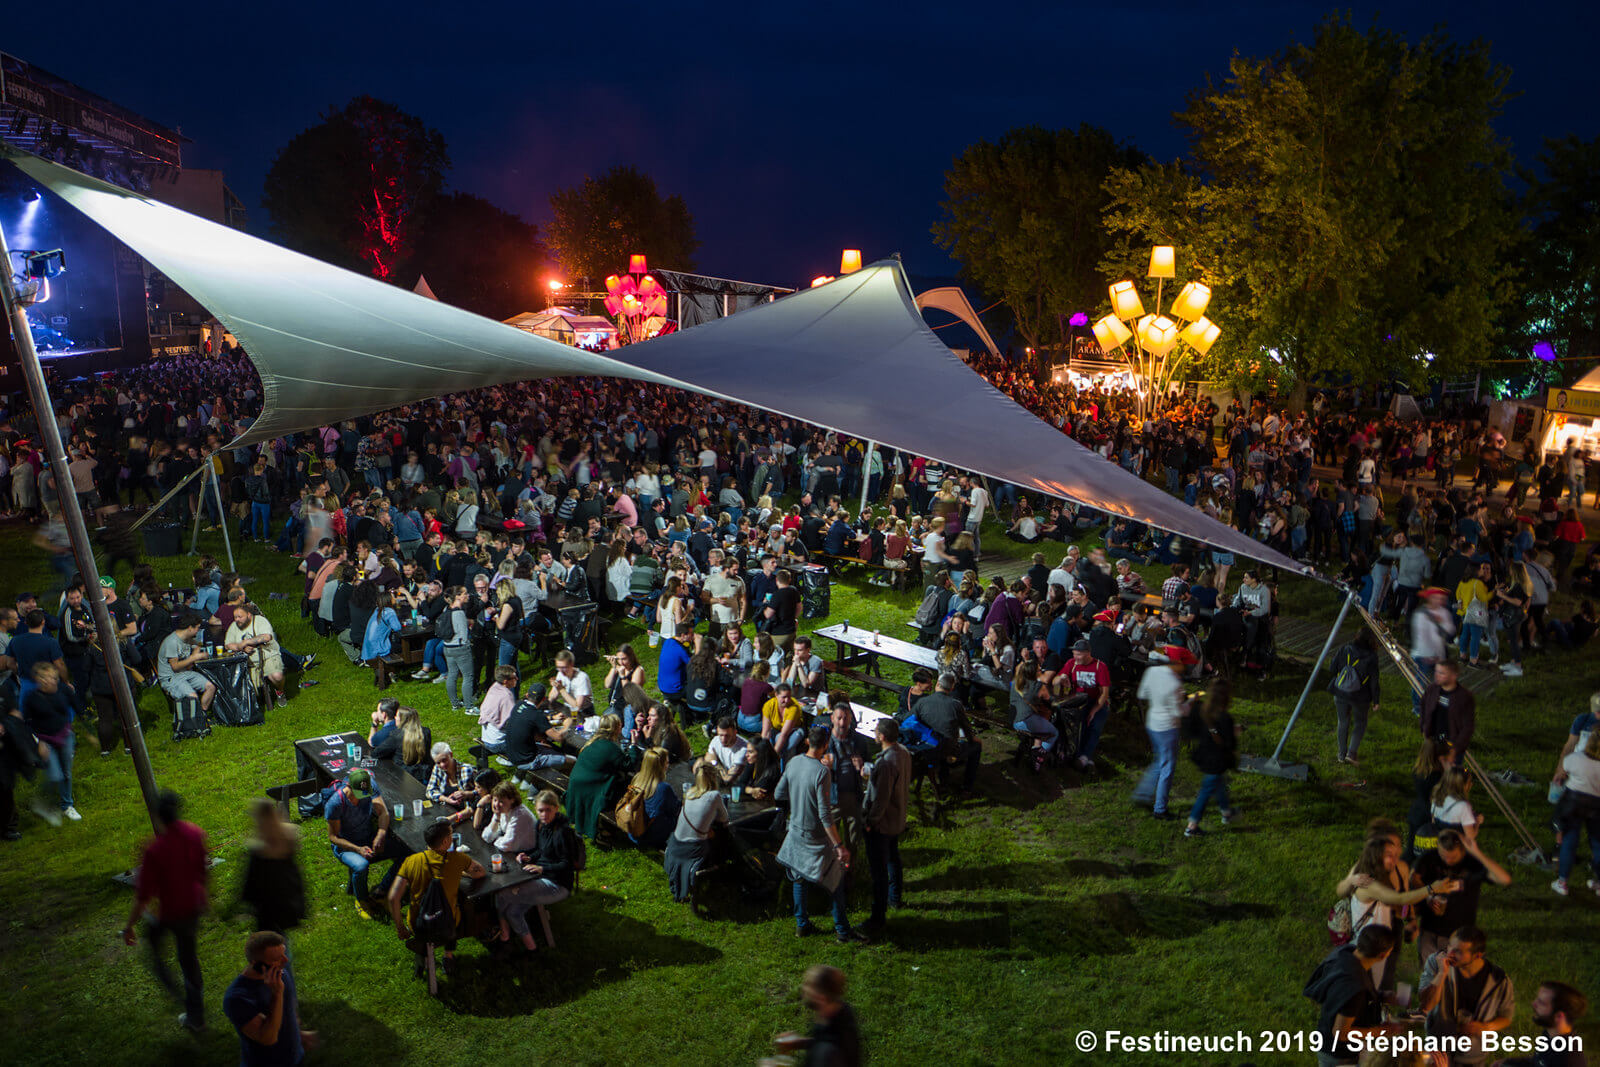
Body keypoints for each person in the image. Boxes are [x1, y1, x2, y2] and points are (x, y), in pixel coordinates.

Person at [122, 790, 209, 1033]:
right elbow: (203, 869)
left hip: (171, 912)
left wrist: (129, 926)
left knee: (157, 951)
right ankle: (195, 1014)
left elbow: (142, 897)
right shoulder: (194, 833)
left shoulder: (155, 850)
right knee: (189, 959)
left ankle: (185, 1002)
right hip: (193, 906)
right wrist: (207, 897)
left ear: (158, 817)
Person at [777, 726, 869, 944]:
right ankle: (843, 931)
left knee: (798, 879)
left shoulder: (794, 762)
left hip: (796, 831)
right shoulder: (821, 772)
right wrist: (839, 845)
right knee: (835, 882)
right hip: (815, 838)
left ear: (808, 741)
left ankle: (802, 925)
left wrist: (797, 800)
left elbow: (779, 792)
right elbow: (825, 814)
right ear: (826, 744)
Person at [388, 818, 485, 977]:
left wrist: (400, 927)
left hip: (418, 924)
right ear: (446, 841)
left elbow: (393, 898)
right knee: (457, 906)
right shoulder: (458, 859)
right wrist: (459, 871)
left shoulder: (412, 861)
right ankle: (448, 955)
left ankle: (421, 956)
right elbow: (479, 872)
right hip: (448, 923)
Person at [1303, 924, 1411, 1067]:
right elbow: (1341, 1033)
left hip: (1328, 1042)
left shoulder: (1347, 954)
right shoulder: (1354, 988)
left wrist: (1381, 996)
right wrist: (1380, 1031)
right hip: (1339, 1056)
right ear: (1383, 955)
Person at [1415, 926, 1515, 1064]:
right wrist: (1441, 974)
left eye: (1458, 951)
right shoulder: (1436, 962)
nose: (1450, 953)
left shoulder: (1498, 980)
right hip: (1438, 1052)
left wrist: (1485, 1027)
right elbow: (1427, 1005)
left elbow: (1506, 1016)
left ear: (1477, 955)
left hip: (1473, 1057)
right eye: (1450, 946)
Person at [495, 789, 577, 952]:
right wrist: (529, 857)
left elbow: (567, 864)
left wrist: (542, 868)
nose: (544, 814)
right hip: (542, 877)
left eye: (548, 810)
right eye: (540, 810)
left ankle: (504, 936)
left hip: (557, 884)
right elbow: (543, 850)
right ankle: (532, 949)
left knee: (501, 894)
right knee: (512, 912)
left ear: (557, 808)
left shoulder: (563, 832)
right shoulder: (542, 825)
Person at [1413, 828, 1512, 961]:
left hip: (1460, 934)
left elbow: (1504, 879)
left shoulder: (1472, 863)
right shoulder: (1430, 858)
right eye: (1443, 856)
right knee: (1430, 975)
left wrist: (1477, 853)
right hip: (1430, 931)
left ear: (1463, 849)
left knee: (1458, 976)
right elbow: (1413, 879)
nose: (1447, 861)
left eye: (1452, 857)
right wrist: (1428, 897)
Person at [223, 931, 318, 1066]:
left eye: (284, 953)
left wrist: (298, 1033)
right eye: (277, 959)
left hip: (295, 1058)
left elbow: (287, 1008)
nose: (285, 961)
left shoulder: (280, 973)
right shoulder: (237, 998)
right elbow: (268, 1038)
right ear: (257, 965)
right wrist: (277, 993)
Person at [325, 768, 404, 915]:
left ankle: (383, 889)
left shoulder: (370, 785)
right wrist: (358, 849)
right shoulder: (335, 804)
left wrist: (380, 834)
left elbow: (383, 813)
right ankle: (361, 900)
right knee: (361, 865)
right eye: (358, 794)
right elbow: (333, 837)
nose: (362, 798)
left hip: (368, 837)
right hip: (346, 846)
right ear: (348, 786)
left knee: (404, 850)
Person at [861, 717, 909, 937]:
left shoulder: (886, 762)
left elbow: (881, 798)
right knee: (893, 859)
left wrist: (870, 822)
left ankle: (877, 917)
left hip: (883, 823)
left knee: (880, 871)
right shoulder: (904, 753)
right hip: (897, 818)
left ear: (880, 736)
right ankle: (895, 897)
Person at [1133, 646, 1193, 820]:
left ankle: (1143, 793)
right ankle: (1160, 809)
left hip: (1152, 722)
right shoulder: (1175, 684)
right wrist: (1189, 703)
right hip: (1168, 727)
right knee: (1167, 767)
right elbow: (1179, 712)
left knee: (1159, 760)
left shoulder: (1152, 672)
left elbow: (1142, 694)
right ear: (1177, 664)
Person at [765, 965, 864, 1067]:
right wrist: (799, 1043)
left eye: (808, 985)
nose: (803, 989)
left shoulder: (826, 1055)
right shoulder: (840, 1011)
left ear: (821, 998)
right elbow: (827, 1039)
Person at [239, 798, 307, 939]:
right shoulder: (288, 836)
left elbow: (251, 879)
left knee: (270, 941)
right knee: (280, 940)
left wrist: (245, 902)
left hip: (268, 904)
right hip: (286, 899)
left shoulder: (259, 846)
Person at [664, 762, 729, 902]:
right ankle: (720, 868)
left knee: (709, 833)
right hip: (692, 849)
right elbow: (725, 818)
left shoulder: (690, 792)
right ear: (714, 778)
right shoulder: (714, 795)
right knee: (720, 835)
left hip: (675, 843)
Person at [21, 662, 77, 824]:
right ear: (38, 679)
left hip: (65, 736)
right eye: (45, 677)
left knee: (66, 772)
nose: (50, 680)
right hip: (45, 740)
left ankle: (67, 805)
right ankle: (42, 803)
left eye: (53, 677)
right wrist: (38, 742)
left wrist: (88, 731)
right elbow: (27, 722)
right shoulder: (32, 698)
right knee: (54, 775)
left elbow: (75, 706)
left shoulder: (62, 689)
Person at [1182, 681, 1240, 837]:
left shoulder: (1200, 711)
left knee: (1218, 784)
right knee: (1206, 790)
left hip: (1203, 756)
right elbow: (1229, 744)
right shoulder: (1225, 718)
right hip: (1217, 761)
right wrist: (1234, 734)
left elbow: (1191, 732)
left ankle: (1227, 813)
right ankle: (1191, 827)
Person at [1550, 728, 1600, 898]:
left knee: (1569, 841)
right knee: (1598, 843)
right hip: (1597, 804)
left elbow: (1563, 772)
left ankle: (1563, 882)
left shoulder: (1574, 759)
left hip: (1573, 802)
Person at [1490, 980, 1587, 1067]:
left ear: (1559, 1016)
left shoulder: (1568, 1059)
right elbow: (1538, 1061)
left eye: (1541, 1003)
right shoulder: (1549, 1034)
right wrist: (1508, 1062)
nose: (1534, 1004)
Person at [913, 672, 983, 793]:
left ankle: (944, 779)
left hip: (927, 748)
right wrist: (973, 739)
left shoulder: (922, 702)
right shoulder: (955, 705)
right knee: (975, 747)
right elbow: (967, 729)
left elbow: (908, 720)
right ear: (951, 688)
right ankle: (967, 787)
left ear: (937, 684)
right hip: (947, 749)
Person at [565, 714, 629, 839]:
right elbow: (628, 765)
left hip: (575, 785)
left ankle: (581, 825)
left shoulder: (591, 743)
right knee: (621, 787)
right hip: (589, 790)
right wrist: (634, 747)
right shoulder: (611, 748)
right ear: (616, 729)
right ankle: (607, 829)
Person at [1328, 628, 1381, 765]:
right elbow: (1374, 681)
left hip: (1340, 692)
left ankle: (1341, 754)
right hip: (1361, 696)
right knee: (1360, 722)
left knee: (1343, 721)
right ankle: (1351, 753)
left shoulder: (1345, 649)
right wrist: (1376, 700)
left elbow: (1332, 668)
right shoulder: (1372, 657)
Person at [223, 603, 287, 708]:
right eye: (235, 617)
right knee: (252, 693)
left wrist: (247, 642)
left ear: (249, 615)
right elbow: (228, 645)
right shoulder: (234, 626)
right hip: (248, 662)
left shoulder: (260, 621)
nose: (237, 619)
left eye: (240, 616)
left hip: (267, 656)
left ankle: (280, 691)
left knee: (277, 677)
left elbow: (266, 637)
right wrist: (241, 647)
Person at [156, 611, 218, 716]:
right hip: (171, 678)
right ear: (190, 628)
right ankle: (193, 721)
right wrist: (194, 657)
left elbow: (196, 647)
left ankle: (202, 715)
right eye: (197, 628)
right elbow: (175, 667)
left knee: (210, 687)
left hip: (185, 673)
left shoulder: (188, 639)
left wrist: (196, 651)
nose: (198, 631)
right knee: (192, 697)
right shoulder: (172, 642)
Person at [1420, 660, 1476, 766]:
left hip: (1452, 745)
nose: (1436, 675)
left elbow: (1468, 726)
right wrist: (1423, 727)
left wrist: (1455, 750)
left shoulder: (1464, 697)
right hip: (1433, 741)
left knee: (1449, 777)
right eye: (1436, 671)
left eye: (1442, 673)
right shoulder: (1432, 689)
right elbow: (1423, 707)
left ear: (1454, 676)